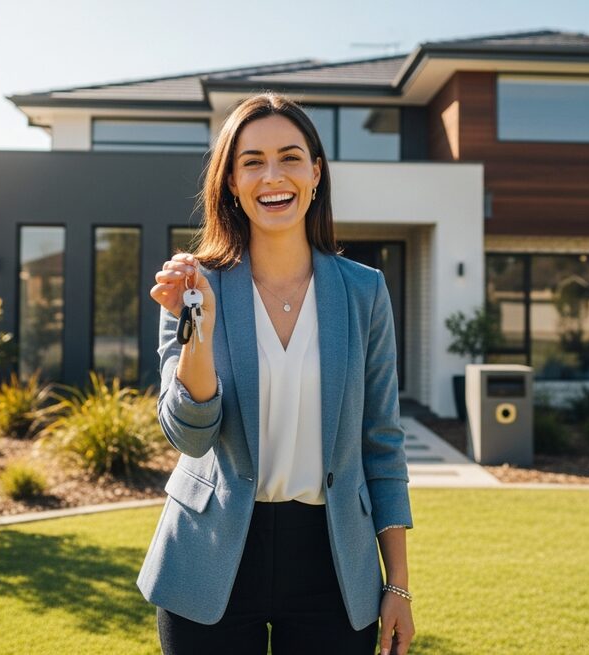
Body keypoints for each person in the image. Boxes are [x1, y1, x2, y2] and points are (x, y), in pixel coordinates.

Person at [136, 92, 415, 655]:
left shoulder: (365, 293)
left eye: (290, 157)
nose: (273, 176)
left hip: (333, 562)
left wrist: (398, 585)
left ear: (315, 173)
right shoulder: (195, 285)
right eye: (252, 161)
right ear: (232, 184)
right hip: (211, 554)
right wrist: (203, 330)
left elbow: (381, 444)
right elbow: (189, 435)